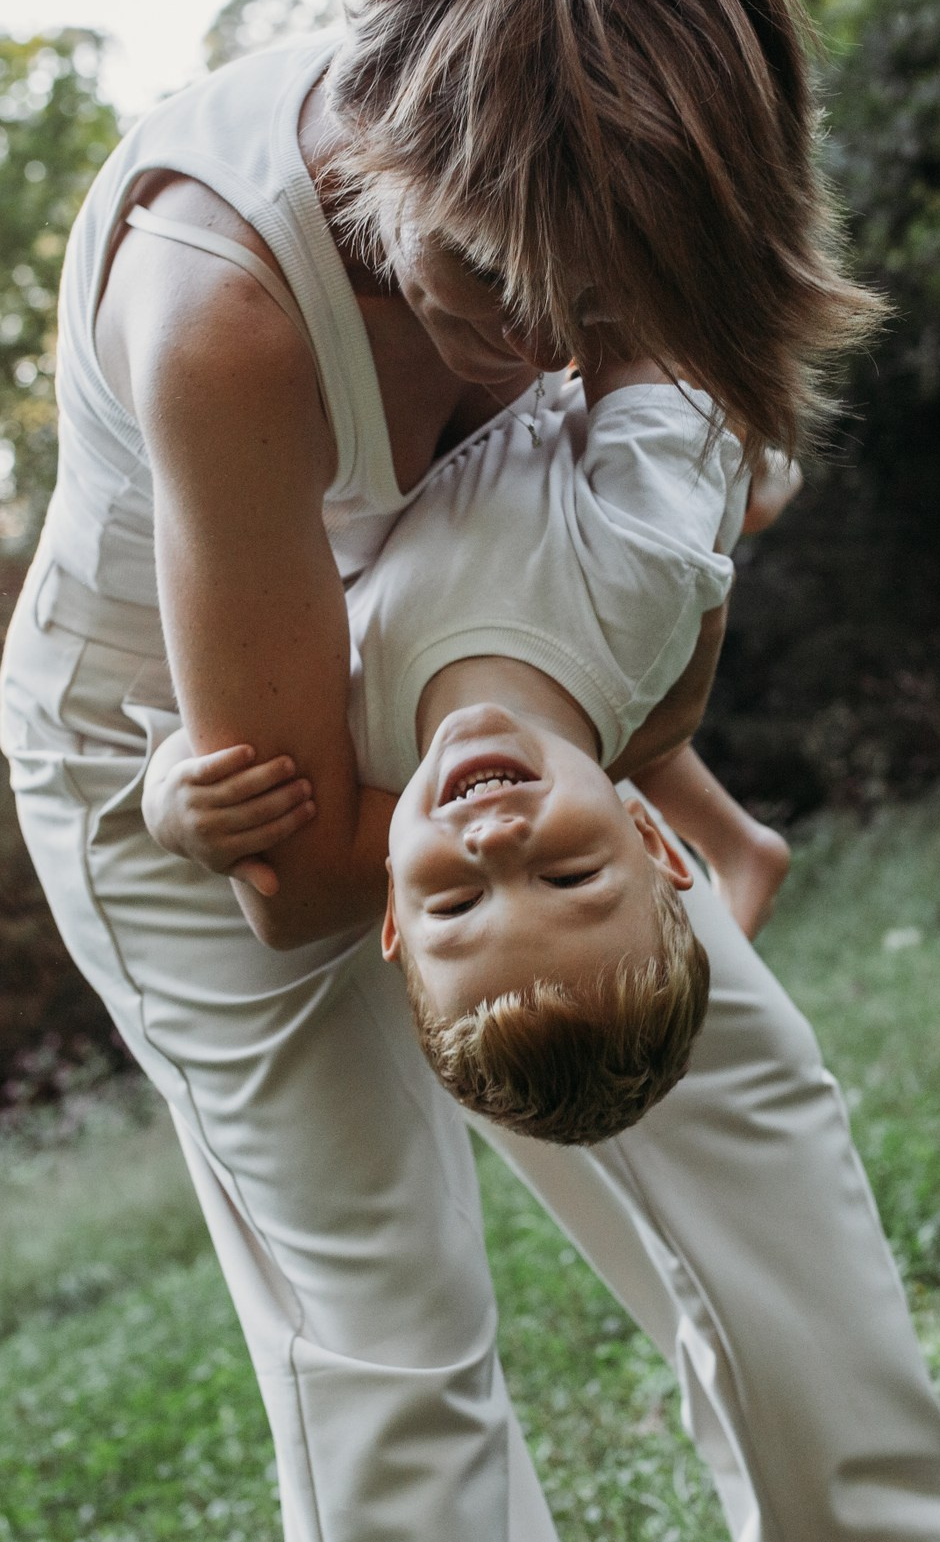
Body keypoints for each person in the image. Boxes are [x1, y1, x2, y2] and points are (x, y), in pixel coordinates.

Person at [0, 0, 940, 1542]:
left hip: (486, 695)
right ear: (383, 145)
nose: (554, 348)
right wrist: (587, 799)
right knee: (382, 1306)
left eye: (602, 305)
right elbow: (302, 873)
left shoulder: (609, 175)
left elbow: (685, 540)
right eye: (498, 286)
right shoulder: (223, 315)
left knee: (745, 1122)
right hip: (198, 774)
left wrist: (627, 795)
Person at [145, 371, 751, 1146]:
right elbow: (663, 363)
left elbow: (201, 738)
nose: (494, 841)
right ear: (650, 837)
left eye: (459, 904)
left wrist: (171, 806)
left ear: (393, 911)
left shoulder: (347, 757)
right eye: (569, 876)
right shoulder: (638, 582)